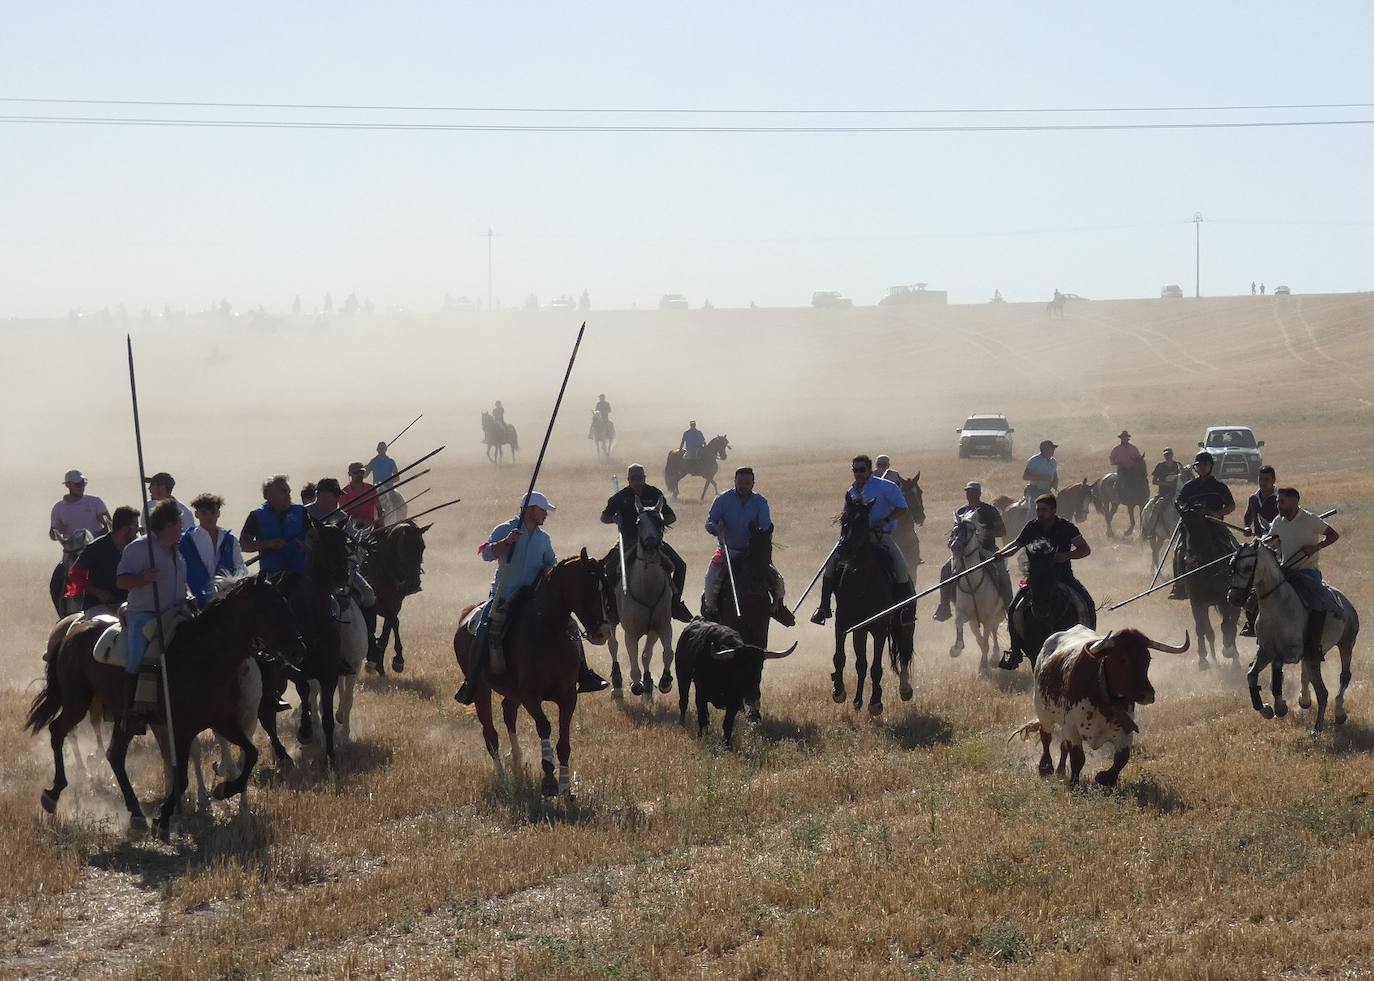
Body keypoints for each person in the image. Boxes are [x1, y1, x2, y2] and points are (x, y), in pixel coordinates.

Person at [454, 491, 608, 705]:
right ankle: (472, 682)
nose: (545, 514)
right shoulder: (505, 529)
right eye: (542, 510)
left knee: (570, 626)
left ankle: (584, 674)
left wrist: (549, 571)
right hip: (504, 594)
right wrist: (507, 542)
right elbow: (487, 554)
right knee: (484, 628)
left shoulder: (543, 538)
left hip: (534, 596)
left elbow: (550, 563)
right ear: (530, 510)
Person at [810, 455, 913, 625]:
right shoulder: (851, 491)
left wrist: (885, 521)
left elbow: (902, 507)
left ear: (869, 469)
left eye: (862, 469)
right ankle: (824, 608)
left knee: (901, 570)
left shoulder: (885, 486)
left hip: (881, 537)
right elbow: (846, 515)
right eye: (855, 470)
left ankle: (904, 610)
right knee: (830, 566)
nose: (858, 473)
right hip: (854, 539)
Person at [115, 499, 190, 731]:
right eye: (178, 524)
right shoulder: (139, 548)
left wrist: (189, 595)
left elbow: (180, 584)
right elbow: (121, 580)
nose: (181, 528)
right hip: (143, 615)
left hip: (175, 613)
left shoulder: (178, 551)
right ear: (168, 525)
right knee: (137, 655)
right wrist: (144, 579)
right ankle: (131, 712)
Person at [998, 493, 1093, 667]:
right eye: (1038, 510)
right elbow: (1015, 545)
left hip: (1063, 577)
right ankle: (1015, 651)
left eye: (1044, 510)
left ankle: (1091, 649)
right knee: (1013, 609)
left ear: (1054, 510)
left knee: (1088, 603)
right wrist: (1000, 553)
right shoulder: (1032, 526)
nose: (1040, 513)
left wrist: (1067, 555)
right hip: (1035, 580)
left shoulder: (1067, 527)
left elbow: (1085, 549)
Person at [600, 464, 692, 621]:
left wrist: (657, 519)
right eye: (634, 479)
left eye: (640, 478)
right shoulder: (619, 497)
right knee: (609, 568)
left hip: (654, 543)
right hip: (628, 541)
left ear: (644, 478)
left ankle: (675, 605)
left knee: (680, 566)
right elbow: (604, 517)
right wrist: (614, 519)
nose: (637, 482)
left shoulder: (655, 494)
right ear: (628, 480)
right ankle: (614, 608)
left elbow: (671, 517)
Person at [703, 467, 793, 625]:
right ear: (735, 482)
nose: (743, 486)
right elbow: (710, 521)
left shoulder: (760, 502)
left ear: (753, 483)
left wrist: (760, 537)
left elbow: (765, 527)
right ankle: (711, 611)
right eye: (740, 482)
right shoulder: (722, 499)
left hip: (752, 555)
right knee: (710, 579)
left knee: (778, 581)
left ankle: (777, 607)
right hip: (727, 552)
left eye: (747, 482)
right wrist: (714, 527)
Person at [1265, 487, 1340, 661]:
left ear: (1294, 501)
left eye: (1282, 501)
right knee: (1258, 595)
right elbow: (1270, 539)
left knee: (1317, 604)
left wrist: (1316, 547)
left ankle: (1314, 645)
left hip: (1308, 572)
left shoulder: (1310, 519)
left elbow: (1333, 535)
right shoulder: (1278, 521)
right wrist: (1259, 539)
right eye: (1277, 501)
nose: (1278, 505)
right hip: (1286, 570)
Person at [932, 481, 1010, 621]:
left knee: (1002, 574)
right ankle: (944, 607)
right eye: (968, 492)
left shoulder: (989, 510)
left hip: (988, 550)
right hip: (965, 553)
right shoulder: (961, 512)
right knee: (945, 569)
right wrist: (953, 541)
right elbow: (954, 534)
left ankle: (1009, 608)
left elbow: (1002, 531)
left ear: (979, 493)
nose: (970, 494)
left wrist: (983, 532)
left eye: (973, 492)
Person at [1169, 451, 1236, 598]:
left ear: (1211, 466)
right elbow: (1179, 502)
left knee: (1232, 548)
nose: (1203, 467)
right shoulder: (1189, 487)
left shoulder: (1219, 487)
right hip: (1192, 528)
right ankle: (1179, 586)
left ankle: (1236, 581)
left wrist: (1217, 513)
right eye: (1199, 465)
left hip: (1215, 526)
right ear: (1195, 467)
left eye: (1206, 464)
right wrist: (1186, 512)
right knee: (1178, 552)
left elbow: (1231, 506)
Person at [180, 493, 247, 609]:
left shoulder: (230, 540)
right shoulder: (185, 540)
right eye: (204, 513)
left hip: (226, 603)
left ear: (218, 513)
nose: (209, 517)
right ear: (196, 514)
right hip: (195, 605)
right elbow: (179, 574)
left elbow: (240, 570)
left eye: (213, 512)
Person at [71, 505, 140, 614]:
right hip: (99, 606)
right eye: (135, 526)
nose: (138, 529)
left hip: (128, 605)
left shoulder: (137, 548)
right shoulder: (96, 547)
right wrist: (98, 592)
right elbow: (75, 574)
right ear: (124, 529)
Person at [1236, 465, 1280, 635]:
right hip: (1259, 546)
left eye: (1267, 480)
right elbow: (1247, 517)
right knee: (1246, 579)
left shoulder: (1281, 497)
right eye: (1261, 479)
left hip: (1279, 547)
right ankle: (1251, 622)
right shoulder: (1253, 498)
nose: (1263, 483)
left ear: (1273, 480)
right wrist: (1246, 527)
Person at [241, 474, 312, 575]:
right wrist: (268, 544)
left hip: (300, 574)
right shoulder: (256, 516)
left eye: (288, 492)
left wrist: (308, 546)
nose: (288, 496)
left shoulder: (301, 511)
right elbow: (244, 545)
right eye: (283, 492)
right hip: (271, 577)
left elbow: (315, 535)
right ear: (268, 495)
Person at [50, 469, 111, 541]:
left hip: (95, 548)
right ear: (67, 485)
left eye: (83, 483)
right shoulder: (58, 508)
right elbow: (53, 536)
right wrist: (57, 531)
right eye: (77, 484)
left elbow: (110, 526)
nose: (81, 486)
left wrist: (93, 538)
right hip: (73, 550)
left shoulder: (95, 502)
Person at [341, 463, 379, 528]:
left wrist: (380, 520)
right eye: (356, 472)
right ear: (349, 474)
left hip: (370, 526)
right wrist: (358, 520)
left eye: (361, 472)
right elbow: (343, 513)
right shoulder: (344, 492)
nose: (359, 475)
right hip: (351, 527)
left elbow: (379, 508)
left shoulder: (371, 489)